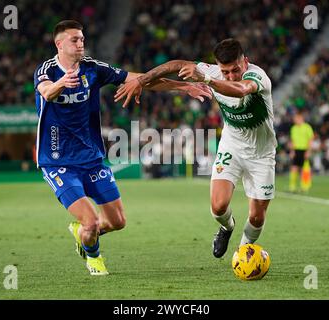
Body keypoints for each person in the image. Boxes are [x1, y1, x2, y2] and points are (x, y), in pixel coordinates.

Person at [33, 20, 211, 275]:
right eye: (74, 40)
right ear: (59, 43)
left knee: (117, 222)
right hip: (58, 161)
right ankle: (93, 258)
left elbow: (141, 80)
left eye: (82, 38)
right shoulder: (47, 70)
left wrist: (184, 87)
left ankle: (82, 232)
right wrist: (62, 83)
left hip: (92, 158)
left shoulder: (93, 69)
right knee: (92, 220)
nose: (80, 43)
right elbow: (47, 92)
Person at [115, 38, 277, 258]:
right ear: (218, 66)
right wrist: (141, 81)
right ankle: (227, 228)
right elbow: (175, 65)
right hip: (232, 146)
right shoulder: (212, 71)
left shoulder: (257, 77)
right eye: (225, 71)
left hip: (262, 154)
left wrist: (208, 79)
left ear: (245, 62)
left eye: (235, 70)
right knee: (218, 207)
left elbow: (241, 90)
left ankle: (242, 253)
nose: (230, 75)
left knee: (257, 217)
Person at [288, 111, 314, 193]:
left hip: (304, 150)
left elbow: (310, 140)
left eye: (296, 118)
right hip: (296, 150)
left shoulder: (307, 127)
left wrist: (308, 151)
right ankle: (292, 187)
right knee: (294, 168)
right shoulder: (293, 128)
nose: (295, 120)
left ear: (301, 118)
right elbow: (292, 140)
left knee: (305, 170)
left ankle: (305, 187)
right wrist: (292, 151)